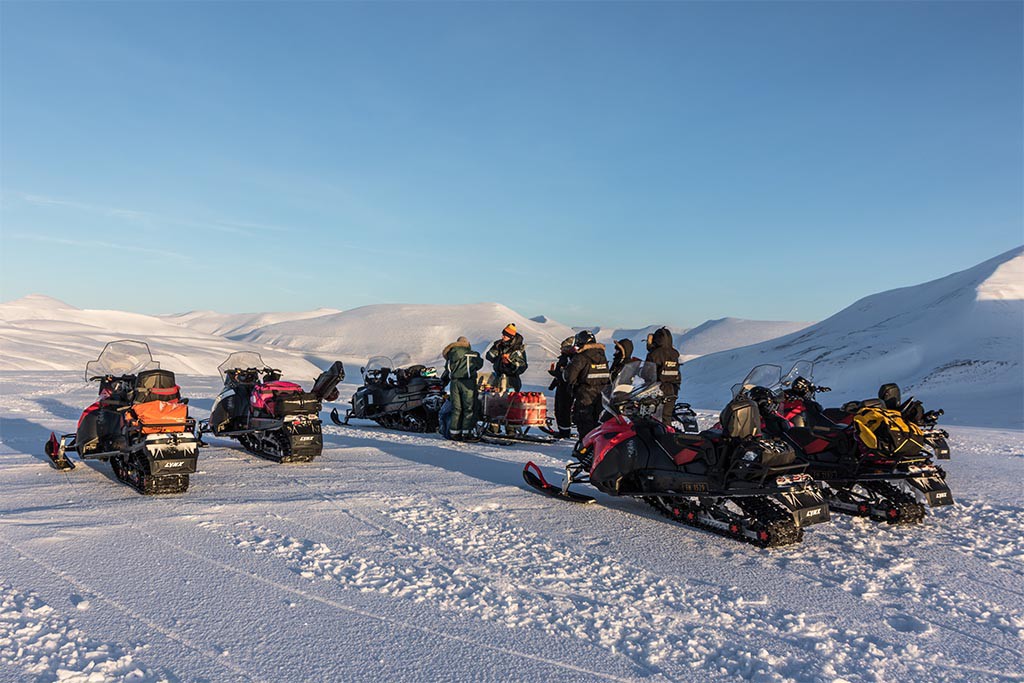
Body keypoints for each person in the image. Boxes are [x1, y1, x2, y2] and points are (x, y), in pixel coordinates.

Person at [563, 330, 611, 440]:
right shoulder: (602, 356)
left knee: (584, 420)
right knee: (597, 420)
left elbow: (569, 376)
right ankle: (597, 443)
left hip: (585, 393)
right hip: (601, 394)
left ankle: (585, 445)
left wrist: (565, 373)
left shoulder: (581, 357)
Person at [441, 336, 484, 441]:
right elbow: (479, 364)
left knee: (456, 408)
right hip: (467, 383)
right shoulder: (473, 354)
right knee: (468, 408)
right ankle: (466, 433)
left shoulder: (451, 355)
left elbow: (447, 369)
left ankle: (454, 433)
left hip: (454, 383)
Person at [645, 327, 681, 424]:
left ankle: (659, 437)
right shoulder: (674, 353)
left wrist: (650, 347)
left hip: (657, 390)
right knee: (666, 416)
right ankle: (668, 434)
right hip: (673, 389)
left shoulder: (654, 354)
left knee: (654, 419)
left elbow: (646, 373)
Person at [486, 323, 528, 392]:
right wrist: (495, 350)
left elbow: (522, 366)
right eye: (503, 335)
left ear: (510, 337)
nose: (502, 337)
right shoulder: (499, 345)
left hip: (511, 382)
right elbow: (489, 357)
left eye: (505, 336)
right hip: (498, 379)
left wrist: (510, 364)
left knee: (509, 401)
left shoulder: (518, 349)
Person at [547, 336, 576, 438]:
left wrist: (557, 374)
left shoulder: (572, 359)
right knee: (558, 409)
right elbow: (560, 374)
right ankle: (561, 430)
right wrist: (553, 383)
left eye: (564, 347)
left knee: (564, 410)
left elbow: (567, 375)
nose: (561, 349)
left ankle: (565, 432)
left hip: (567, 389)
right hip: (560, 386)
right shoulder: (563, 358)